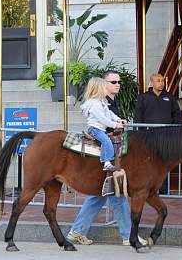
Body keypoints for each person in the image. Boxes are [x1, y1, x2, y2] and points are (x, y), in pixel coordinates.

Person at [67, 70, 147, 247]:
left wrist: (119, 122)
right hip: (106, 145)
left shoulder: (109, 101)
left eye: (118, 81)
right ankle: (128, 236)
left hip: (113, 144)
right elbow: (105, 121)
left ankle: (77, 231)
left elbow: (112, 119)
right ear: (102, 85)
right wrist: (116, 125)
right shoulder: (100, 103)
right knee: (116, 193)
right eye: (112, 82)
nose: (117, 84)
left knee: (99, 195)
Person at [134, 72, 181, 194]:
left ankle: (164, 189)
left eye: (162, 81)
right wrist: (141, 134)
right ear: (152, 82)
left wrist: (175, 130)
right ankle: (150, 188)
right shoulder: (143, 97)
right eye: (158, 81)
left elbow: (176, 114)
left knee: (164, 162)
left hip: (166, 136)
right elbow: (138, 116)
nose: (161, 83)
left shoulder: (169, 97)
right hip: (149, 136)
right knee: (150, 162)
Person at [80, 77, 123, 171]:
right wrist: (115, 125)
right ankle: (106, 162)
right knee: (106, 141)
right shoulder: (95, 104)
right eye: (104, 88)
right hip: (95, 129)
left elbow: (109, 113)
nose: (106, 90)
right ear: (98, 90)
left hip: (100, 128)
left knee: (109, 140)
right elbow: (103, 119)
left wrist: (117, 119)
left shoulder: (101, 102)